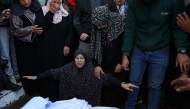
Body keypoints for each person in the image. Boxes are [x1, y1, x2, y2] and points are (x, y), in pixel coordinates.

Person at [121, 0, 189, 109]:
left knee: (155, 86)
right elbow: (130, 27)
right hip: (138, 49)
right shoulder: (134, 2)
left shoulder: (173, 2)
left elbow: (178, 27)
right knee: (134, 82)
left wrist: (181, 50)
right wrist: (125, 54)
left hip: (161, 50)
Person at [23, 49, 138, 106]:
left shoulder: (92, 69)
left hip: (88, 104)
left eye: (81, 58)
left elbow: (106, 78)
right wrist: (36, 77)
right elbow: (52, 72)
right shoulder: (67, 68)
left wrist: (122, 84)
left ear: (85, 59)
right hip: (69, 104)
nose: (79, 60)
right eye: (76, 58)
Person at [35, 0, 73, 101]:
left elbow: (70, 31)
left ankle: (61, 95)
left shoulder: (65, 14)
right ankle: (47, 95)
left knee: (61, 71)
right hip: (46, 50)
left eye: (58, 2)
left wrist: (67, 44)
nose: (56, 4)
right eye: (54, 1)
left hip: (61, 50)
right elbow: (40, 28)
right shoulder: (42, 11)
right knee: (48, 71)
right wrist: (50, 13)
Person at [90, 6, 128, 107]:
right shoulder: (96, 25)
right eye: (96, 25)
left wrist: (120, 62)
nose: (98, 27)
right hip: (104, 66)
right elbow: (94, 47)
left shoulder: (119, 22)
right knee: (105, 96)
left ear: (107, 19)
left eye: (101, 25)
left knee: (117, 94)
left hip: (118, 65)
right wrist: (97, 64)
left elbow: (126, 44)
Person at [10, 0, 41, 96]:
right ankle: (32, 90)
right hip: (24, 44)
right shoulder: (15, 11)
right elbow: (14, 30)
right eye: (23, 0)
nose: (26, 2)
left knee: (38, 64)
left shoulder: (36, 5)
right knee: (28, 66)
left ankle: (41, 87)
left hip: (38, 41)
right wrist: (31, 29)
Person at [0, 0, 19, 84]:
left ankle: (16, 72)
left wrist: (10, 14)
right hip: (2, 26)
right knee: (5, 52)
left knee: (14, 49)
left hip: (13, 23)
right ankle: (10, 75)